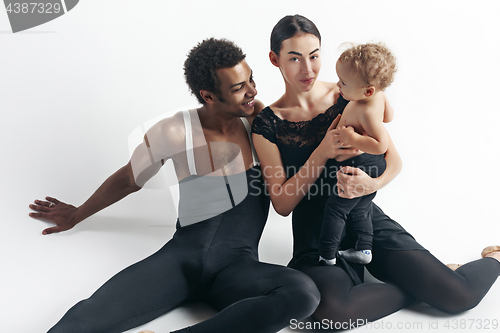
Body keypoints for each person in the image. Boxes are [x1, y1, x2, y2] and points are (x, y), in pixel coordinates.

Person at [29, 38, 320, 333]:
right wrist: (76, 214)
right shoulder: (174, 132)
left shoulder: (259, 119)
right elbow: (130, 179)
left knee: (302, 294)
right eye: (238, 88)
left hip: (237, 269)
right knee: (79, 324)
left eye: (251, 79)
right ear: (208, 96)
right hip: (179, 263)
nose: (252, 91)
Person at [252, 14, 500, 328]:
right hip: (316, 234)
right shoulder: (267, 124)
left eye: (314, 56)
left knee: (459, 297)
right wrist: (322, 152)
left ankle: (495, 258)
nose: (308, 69)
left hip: (364, 218)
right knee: (333, 314)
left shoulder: (350, 93)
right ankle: (414, 288)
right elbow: (282, 203)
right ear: (275, 59)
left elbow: (393, 159)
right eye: (294, 58)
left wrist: (372, 183)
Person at [319, 42, 396, 266]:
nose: (338, 84)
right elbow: (389, 117)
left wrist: (353, 139)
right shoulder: (377, 98)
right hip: (371, 164)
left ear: (368, 90)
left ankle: (327, 255)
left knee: (336, 210)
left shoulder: (365, 110)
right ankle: (364, 249)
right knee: (361, 208)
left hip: (360, 165)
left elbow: (381, 145)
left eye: (343, 82)